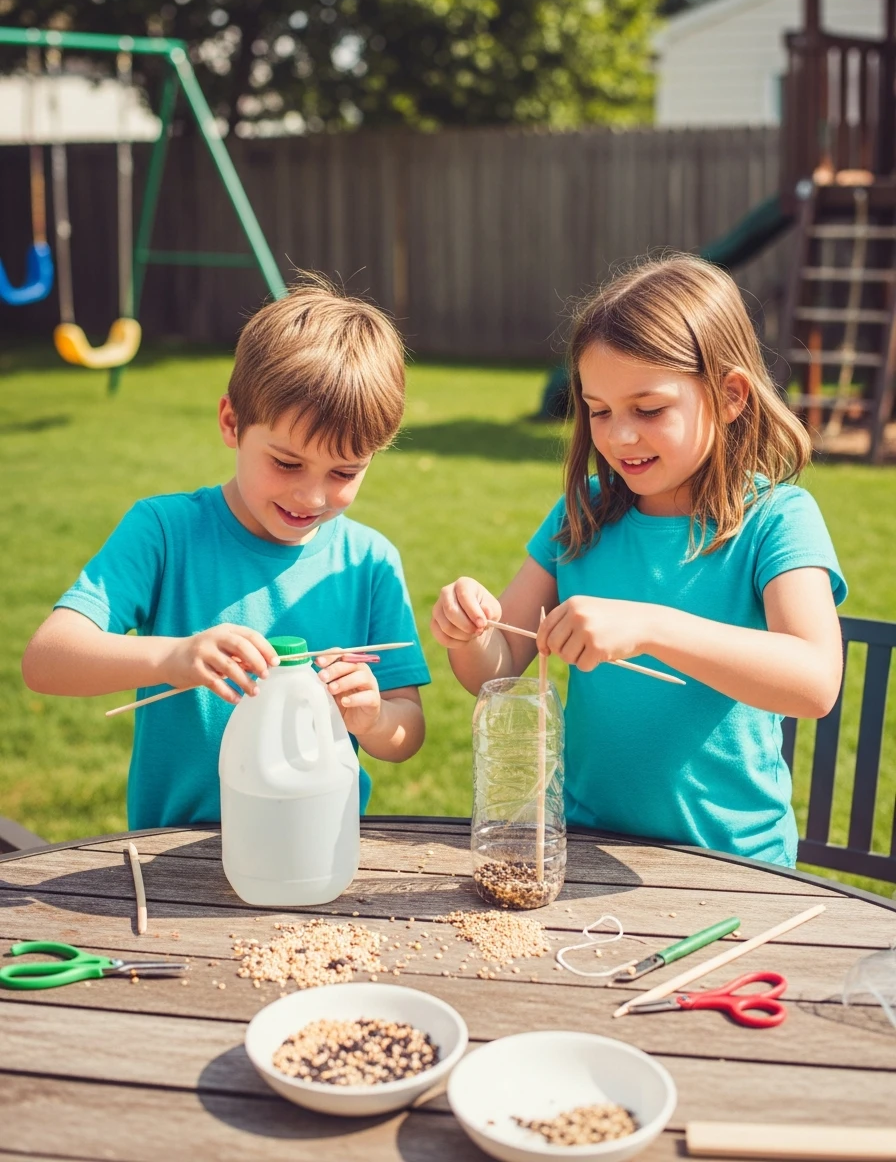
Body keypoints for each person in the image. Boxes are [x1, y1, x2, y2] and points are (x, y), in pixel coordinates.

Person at [431, 254, 845, 867]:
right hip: (585, 845)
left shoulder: (777, 519)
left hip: (731, 861)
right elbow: (500, 665)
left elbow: (814, 682)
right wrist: (468, 632)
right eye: (599, 410)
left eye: (648, 409)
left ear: (730, 396)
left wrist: (651, 627)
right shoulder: (584, 513)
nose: (620, 435)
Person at [22, 279, 430, 829]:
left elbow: (407, 733)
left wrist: (374, 717)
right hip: (174, 856)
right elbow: (47, 660)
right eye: (286, 463)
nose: (311, 497)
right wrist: (173, 658)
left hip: (317, 845)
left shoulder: (370, 562)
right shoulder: (165, 532)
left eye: (344, 473)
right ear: (231, 423)